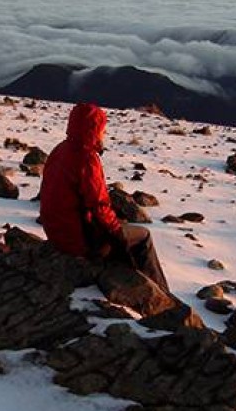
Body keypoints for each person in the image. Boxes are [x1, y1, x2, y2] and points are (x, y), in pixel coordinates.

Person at [39, 103, 170, 292]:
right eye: (103, 130)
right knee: (143, 236)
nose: (104, 134)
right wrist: (117, 234)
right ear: (95, 129)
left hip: (55, 232)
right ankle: (161, 295)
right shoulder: (86, 158)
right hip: (77, 242)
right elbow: (98, 205)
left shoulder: (60, 149)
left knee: (120, 227)